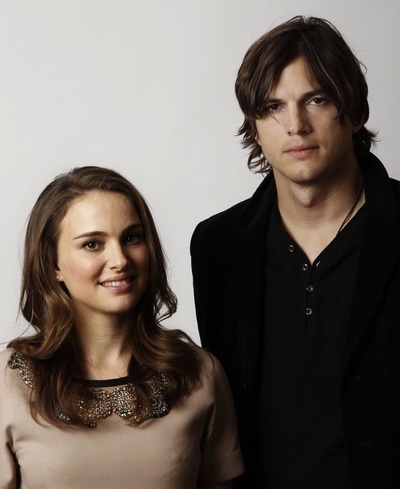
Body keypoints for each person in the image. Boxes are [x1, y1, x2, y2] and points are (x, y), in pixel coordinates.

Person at [191, 15, 400, 489]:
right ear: (254, 127)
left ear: (354, 112)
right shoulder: (217, 246)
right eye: (273, 107)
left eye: (316, 99)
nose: (296, 125)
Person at [0, 166, 244, 489]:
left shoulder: (200, 374)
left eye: (131, 238)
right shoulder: (7, 381)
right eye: (92, 244)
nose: (120, 260)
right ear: (52, 263)